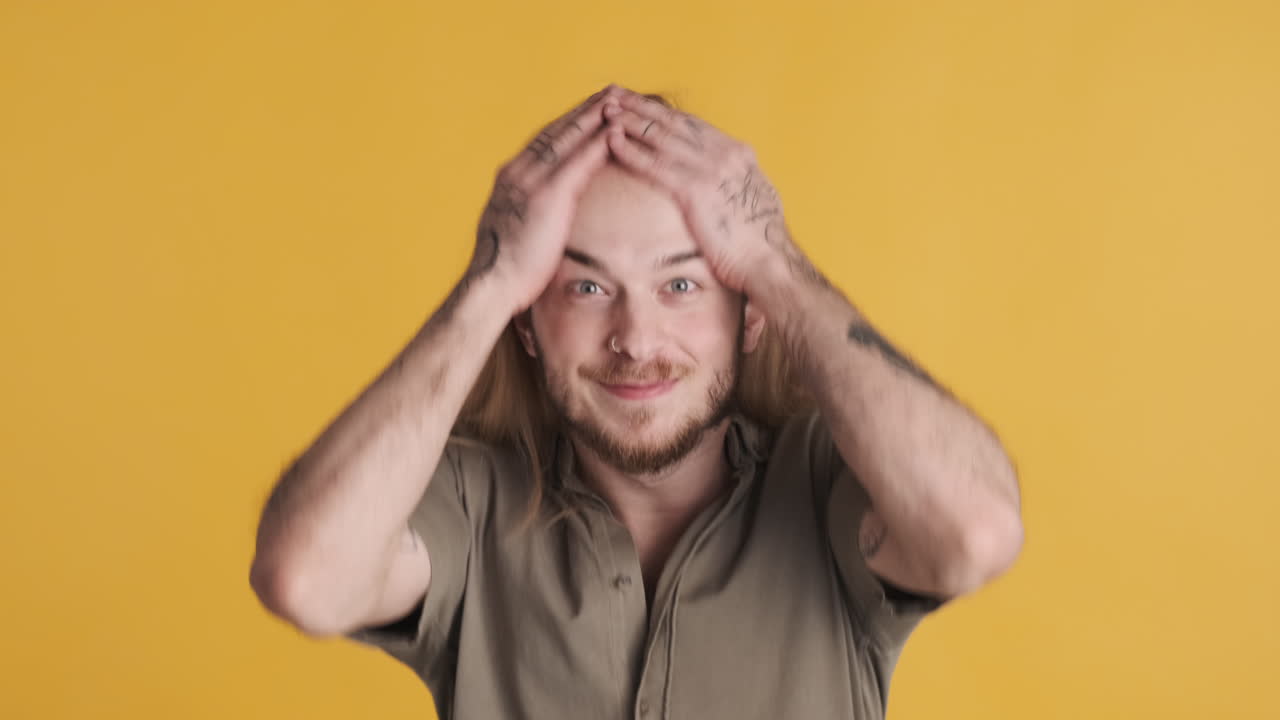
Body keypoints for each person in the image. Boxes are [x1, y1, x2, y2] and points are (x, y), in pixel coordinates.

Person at [249, 83, 1024, 719]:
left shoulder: (824, 481)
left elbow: (977, 530)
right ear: (528, 323)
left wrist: (776, 263)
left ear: (750, 313)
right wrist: (487, 283)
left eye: (681, 284)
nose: (636, 338)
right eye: (586, 288)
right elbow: (306, 579)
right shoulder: (471, 501)